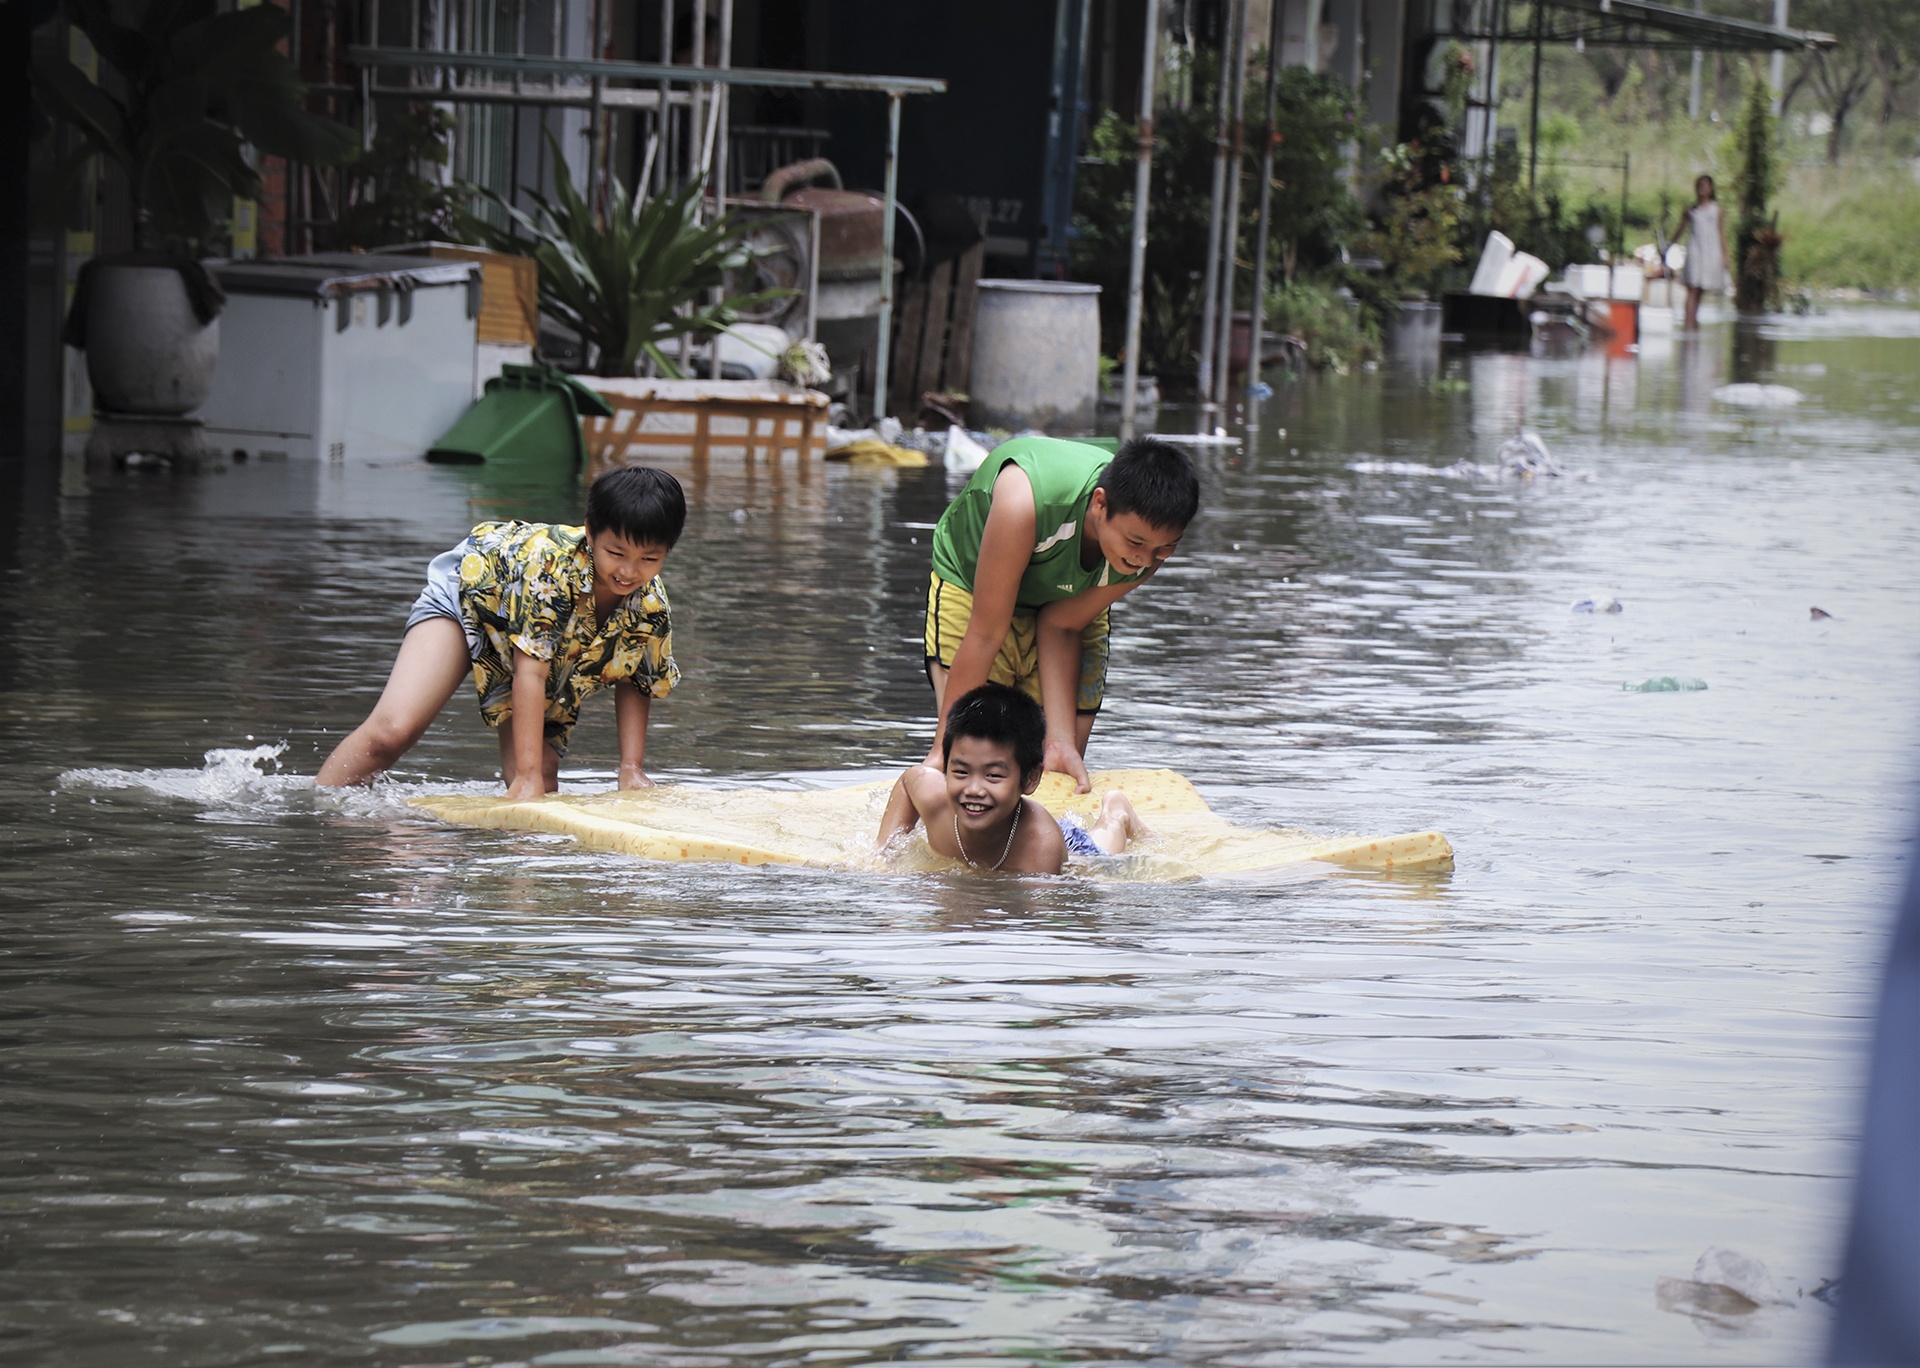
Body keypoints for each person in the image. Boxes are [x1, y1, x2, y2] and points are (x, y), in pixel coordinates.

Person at [316, 466, 685, 799]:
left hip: (537, 646)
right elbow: (531, 672)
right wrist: (525, 777)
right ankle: (315, 810)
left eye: (649, 559)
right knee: (391, 733)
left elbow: (637, 680)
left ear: (666, 552)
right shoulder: (551, 569)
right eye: (616, 553)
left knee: (543, 775)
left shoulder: (651, 606)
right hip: (471, 599)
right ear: (590, 533)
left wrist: (631, 768)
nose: (629, 571)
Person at [923, 434, 1199, 794]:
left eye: (1164, 549)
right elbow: (986, 634)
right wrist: (942, 752)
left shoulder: (1146, 551)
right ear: (1100, 504)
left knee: (1054, 769)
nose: (1145, 562)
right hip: (975, 588)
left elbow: (1063, 624)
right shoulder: (1023, 504)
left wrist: (1060, 740)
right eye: (1135, 543)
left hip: (1068, 602)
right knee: (977, 755)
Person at [879, 683, 1149, 874]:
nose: (973, 789)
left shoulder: (1041, 849)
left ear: (1031, 779)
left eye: (993, 776)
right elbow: (910, 779)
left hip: (1060, 841)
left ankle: (1116, 812)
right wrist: (885, 851)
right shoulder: (934, 798)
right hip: (1018, 824)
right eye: (960, 771)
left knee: (1097, 861)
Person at [1672, 173, 1728, 331]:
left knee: (1700, 289)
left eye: (1705, 186)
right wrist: (1670, 244)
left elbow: (1721, 233)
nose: (1702, 189)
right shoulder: (1691, 210)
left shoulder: (1717, 210)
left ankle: (1692, 319)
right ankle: (1688, 321)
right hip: (1695, 251)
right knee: (1692, 287)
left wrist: (1725, 256)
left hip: (1710, 252)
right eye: (1699, 186)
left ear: (1711, 189)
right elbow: (1681, 228)